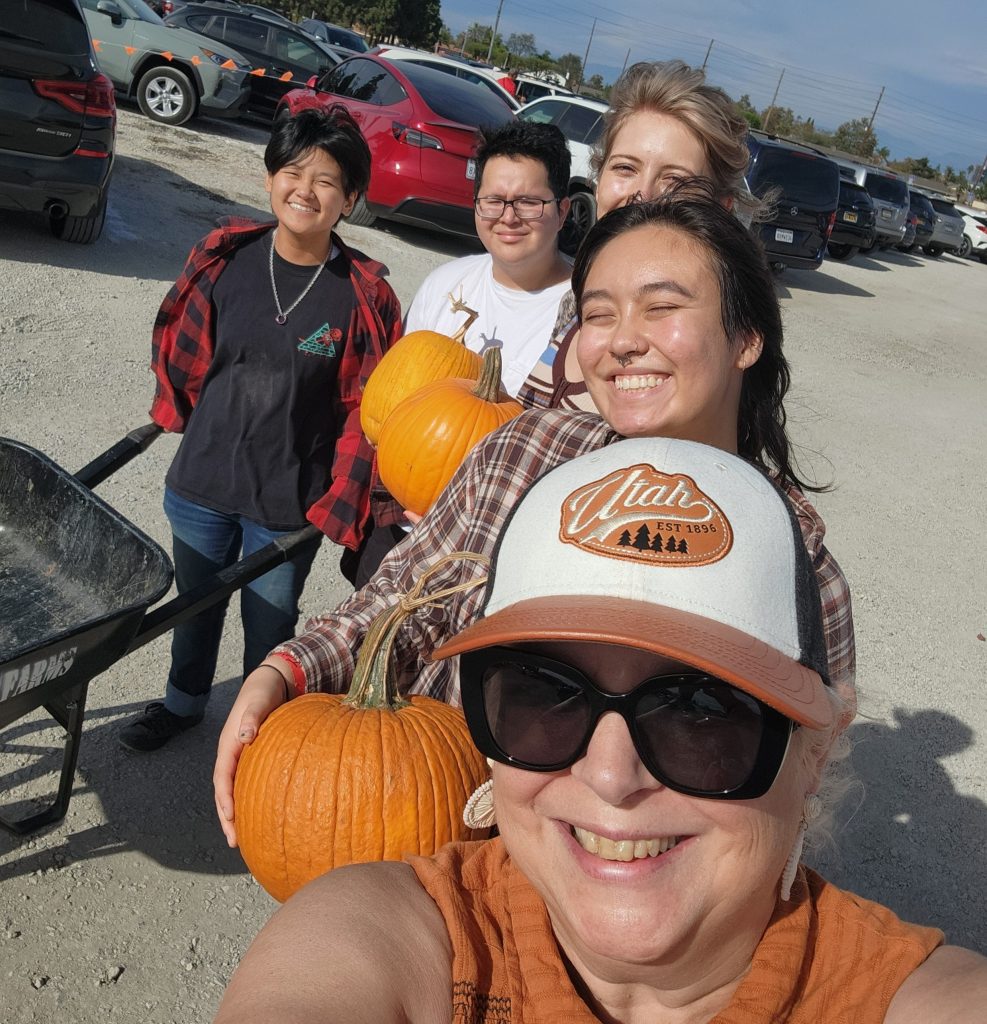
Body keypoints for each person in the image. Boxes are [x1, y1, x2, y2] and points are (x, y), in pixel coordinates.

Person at [213, 439, 987, 1023]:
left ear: (814, 749)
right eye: (544, 694)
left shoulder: (904, 1000)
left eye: (701, 711)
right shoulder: (392, 936)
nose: (611, 776)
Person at [213, 189, 855, 846]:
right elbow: (406, 598)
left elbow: (796, 790)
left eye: (661, 308)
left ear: (746, 336)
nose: (623, 341)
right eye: (599, 314)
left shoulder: (790, 556)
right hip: (417, 812)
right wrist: (285, 670)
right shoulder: (522, 449)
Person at [118, 105, 402, 752]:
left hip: (286, 507)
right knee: (194, 610)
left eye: (327, 180)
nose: (306, 189)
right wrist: (174, 410)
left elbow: (369, 410)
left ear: (350, 200)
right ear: (272, 177)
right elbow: (181, 347)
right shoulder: (224, 256)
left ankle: (262, 742)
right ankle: (182, 704)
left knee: (270, 627)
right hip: (200, 485)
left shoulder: (362, 297)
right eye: (293, 171)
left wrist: (340, 501)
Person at [518, 58, 754, 411]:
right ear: (599, 180)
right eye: (625, 168)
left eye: (675, 180)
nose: (642, 195)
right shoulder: (578, 300)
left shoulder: (705, 345)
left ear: (721, 208)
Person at [402, 120, 572, 399]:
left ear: (562, 212)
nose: (508, 217)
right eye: (494, 201)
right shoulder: (444, 284)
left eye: (528, 202)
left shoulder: (585, 312)